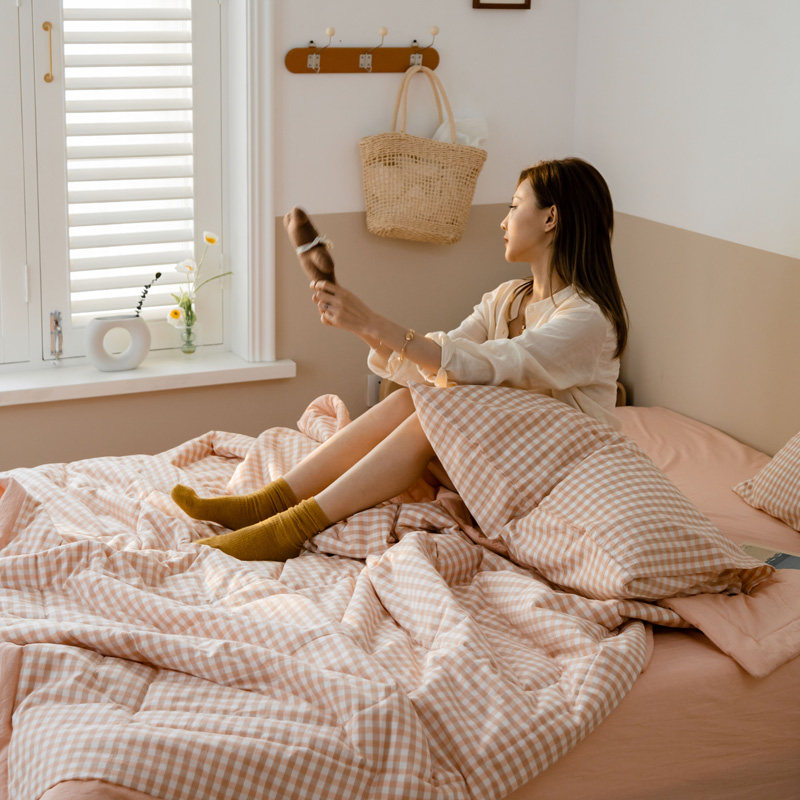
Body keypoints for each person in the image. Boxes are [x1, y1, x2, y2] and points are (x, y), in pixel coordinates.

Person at [171, 157, 628, 562]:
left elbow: (492, 363)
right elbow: (442, 359)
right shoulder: (506, 297)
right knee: (418, 398)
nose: (503, 220)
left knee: (431, 410)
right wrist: (360, 325)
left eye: (514, 205)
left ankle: (289, 528)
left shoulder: (587, 320)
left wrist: (375, 320)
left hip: (553, 474)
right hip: (502, 461)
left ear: (550, 217)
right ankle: (268, 505)